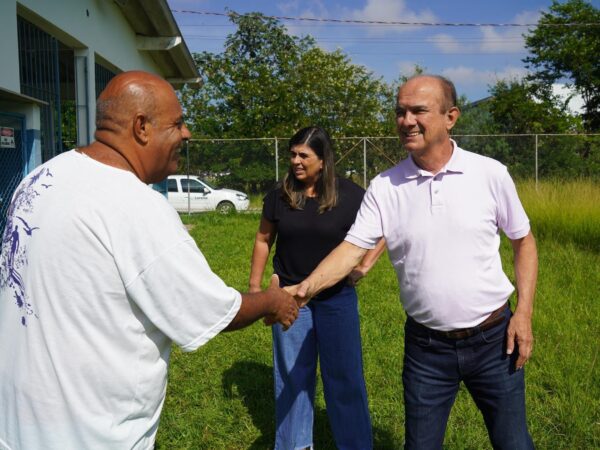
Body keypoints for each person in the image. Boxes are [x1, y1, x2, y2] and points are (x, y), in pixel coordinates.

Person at [0, 71, 298, 450]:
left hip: (16, 424)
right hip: (89, 434)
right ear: (141, 127)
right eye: (177, 123)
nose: (186, 133)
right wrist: (273, 301)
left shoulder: (41, 177)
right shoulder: (135, 206)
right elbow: (210, 310)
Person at [289, 75, 538, 449]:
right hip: (426, 350)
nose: (406, 121)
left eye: (418, 111)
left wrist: (524, 314)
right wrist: (302, 290)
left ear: (450, 117)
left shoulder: (489, 174)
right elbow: (352, 250)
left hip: (493, 340)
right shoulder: (385, 186)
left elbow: (524, 242)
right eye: (400, 112)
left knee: (514, 443)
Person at [249, 126, 385, 450]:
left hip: (336, 300)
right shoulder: (279, 195)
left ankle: (354, 444)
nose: (296, 161)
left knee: (344, 378)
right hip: (289, 299)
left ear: (323, 161)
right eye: (293, 154)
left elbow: (383, 228)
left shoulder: (351, 195)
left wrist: (364, 265)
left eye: (303, 155)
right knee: (293, 378)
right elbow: (263, 238)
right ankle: (294, 445)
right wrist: (256, 287)